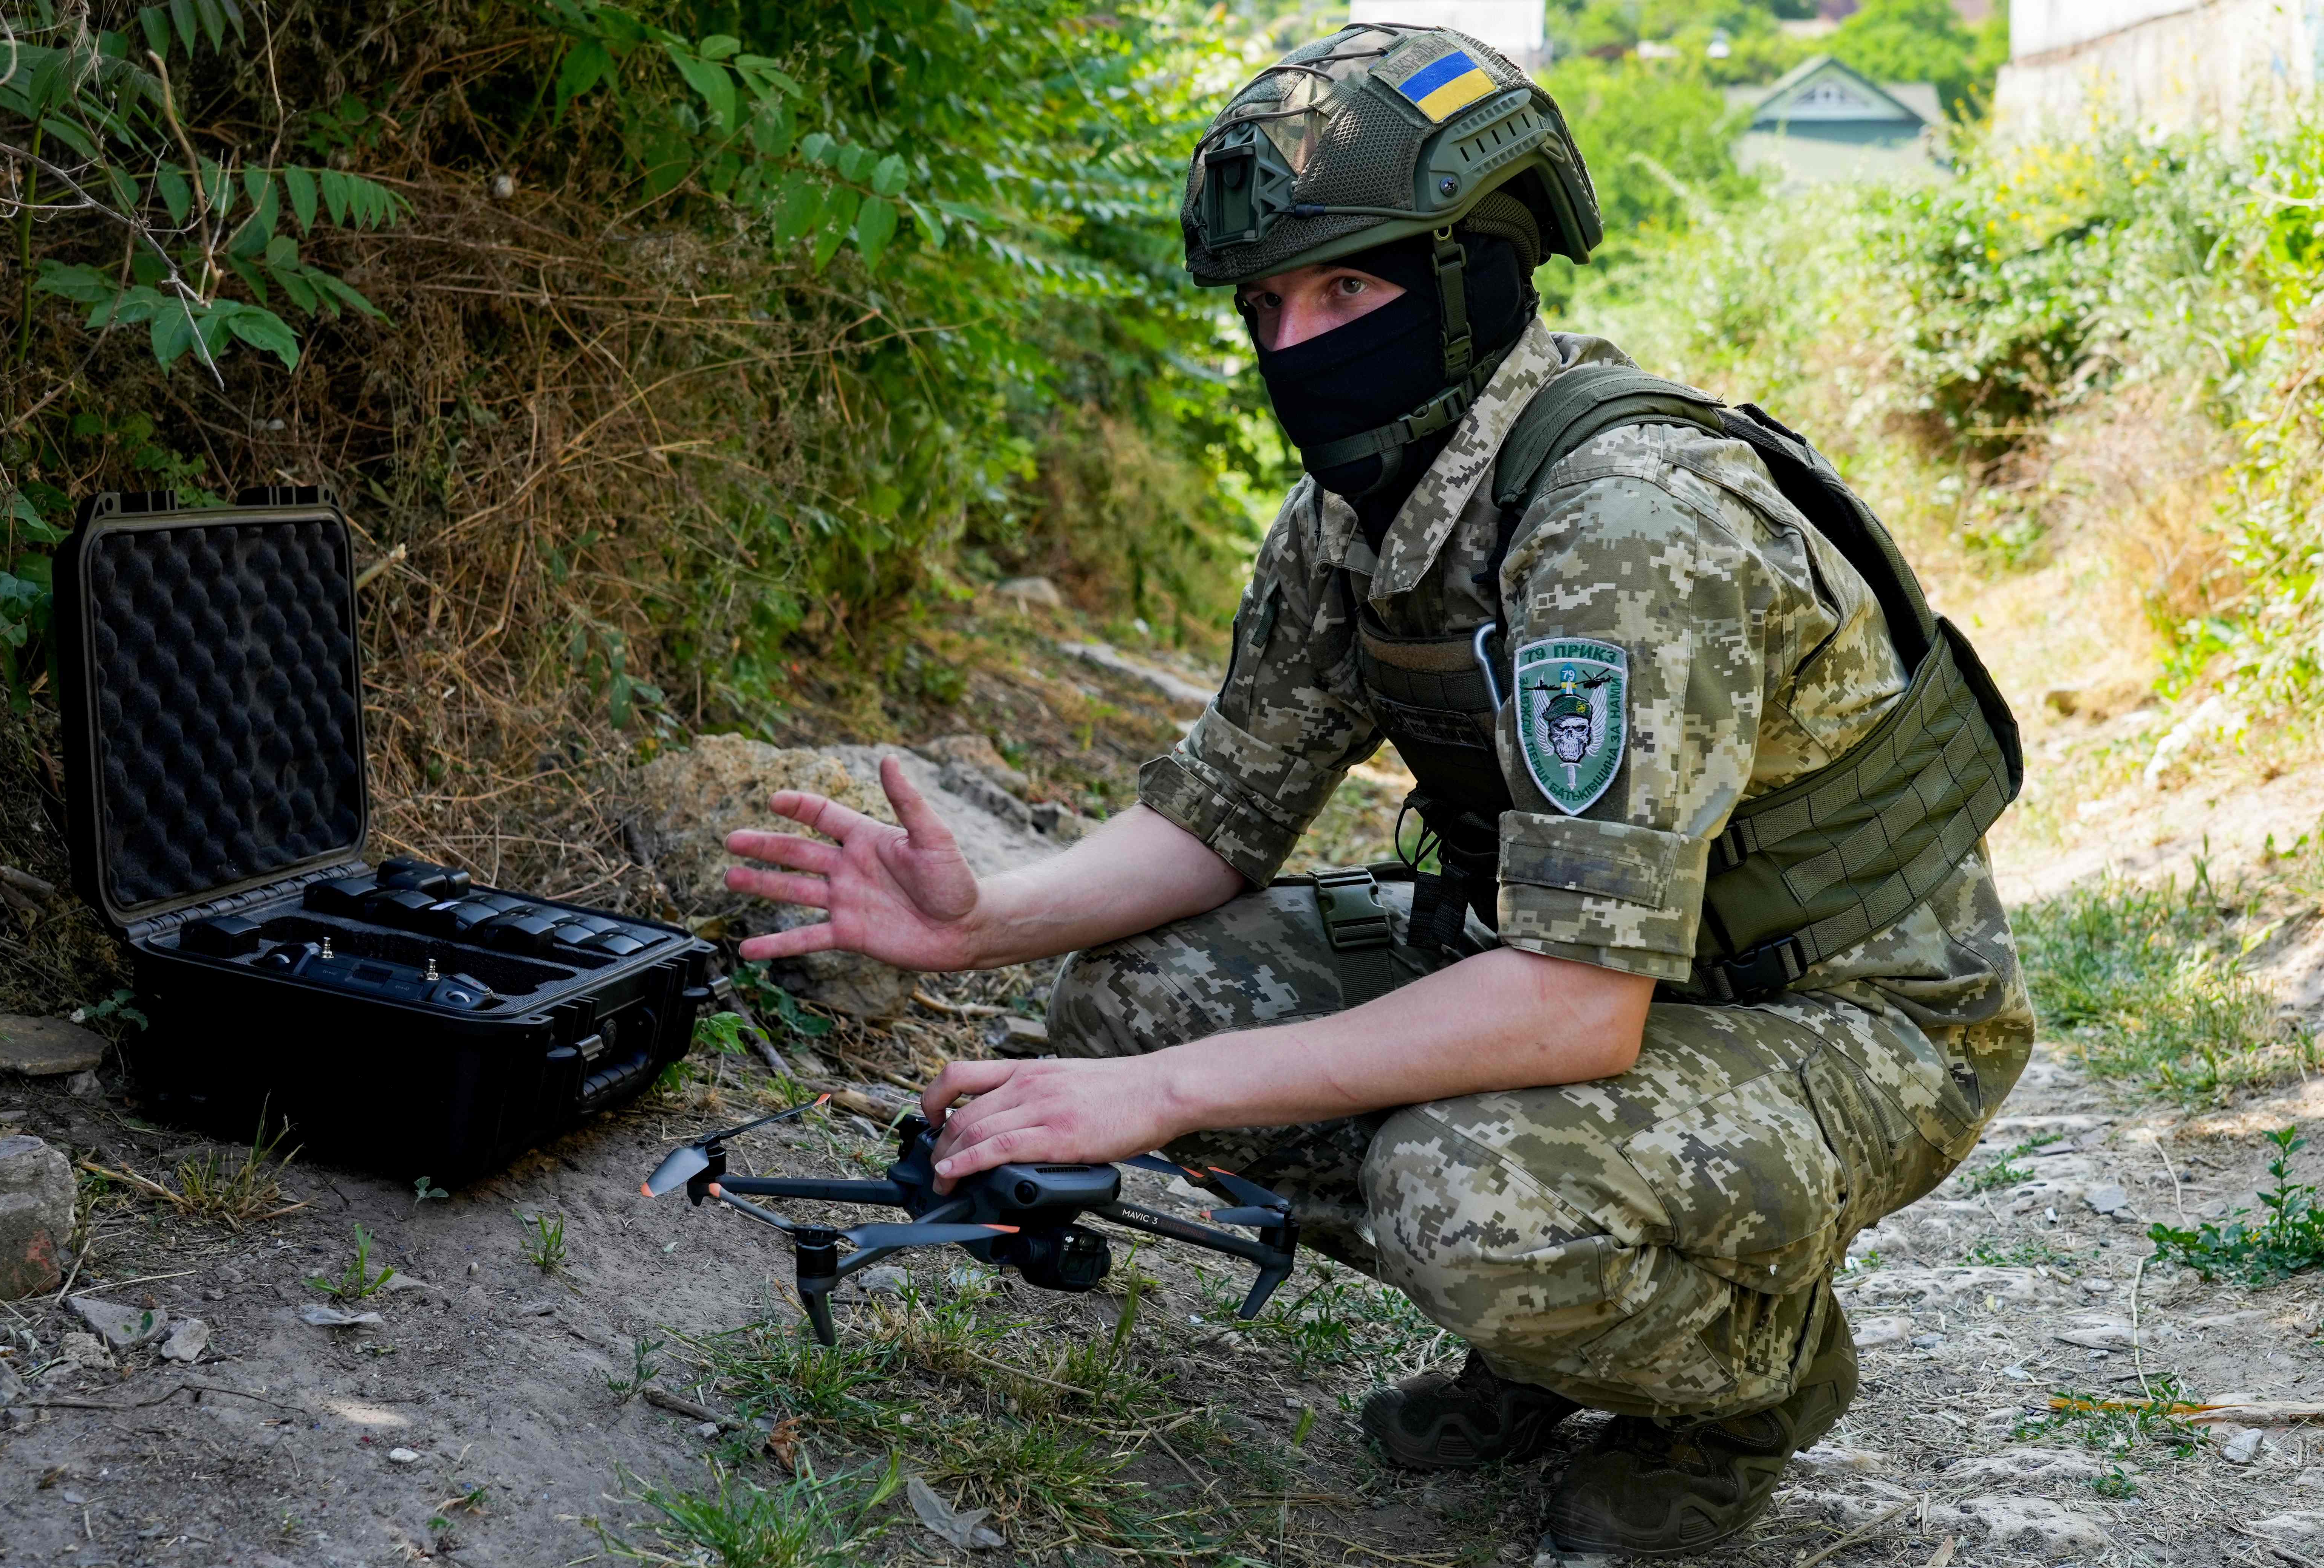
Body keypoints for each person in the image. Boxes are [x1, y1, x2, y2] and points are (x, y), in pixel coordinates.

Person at [723, 23, 2033, 1556]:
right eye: (1268, 304)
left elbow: (1571, 1009)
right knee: (1132, 1003)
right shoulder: (1361, 507)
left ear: (1469, 274)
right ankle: (1557, 1327)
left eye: (1345, 289)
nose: (1296, 344)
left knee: (1463, 1191)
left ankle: (1739, 1381)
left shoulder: (1620, 525)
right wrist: (974, 923)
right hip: (1612, 976)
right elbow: (1217, 812)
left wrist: (1151, 1107)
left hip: (1846, 1018)